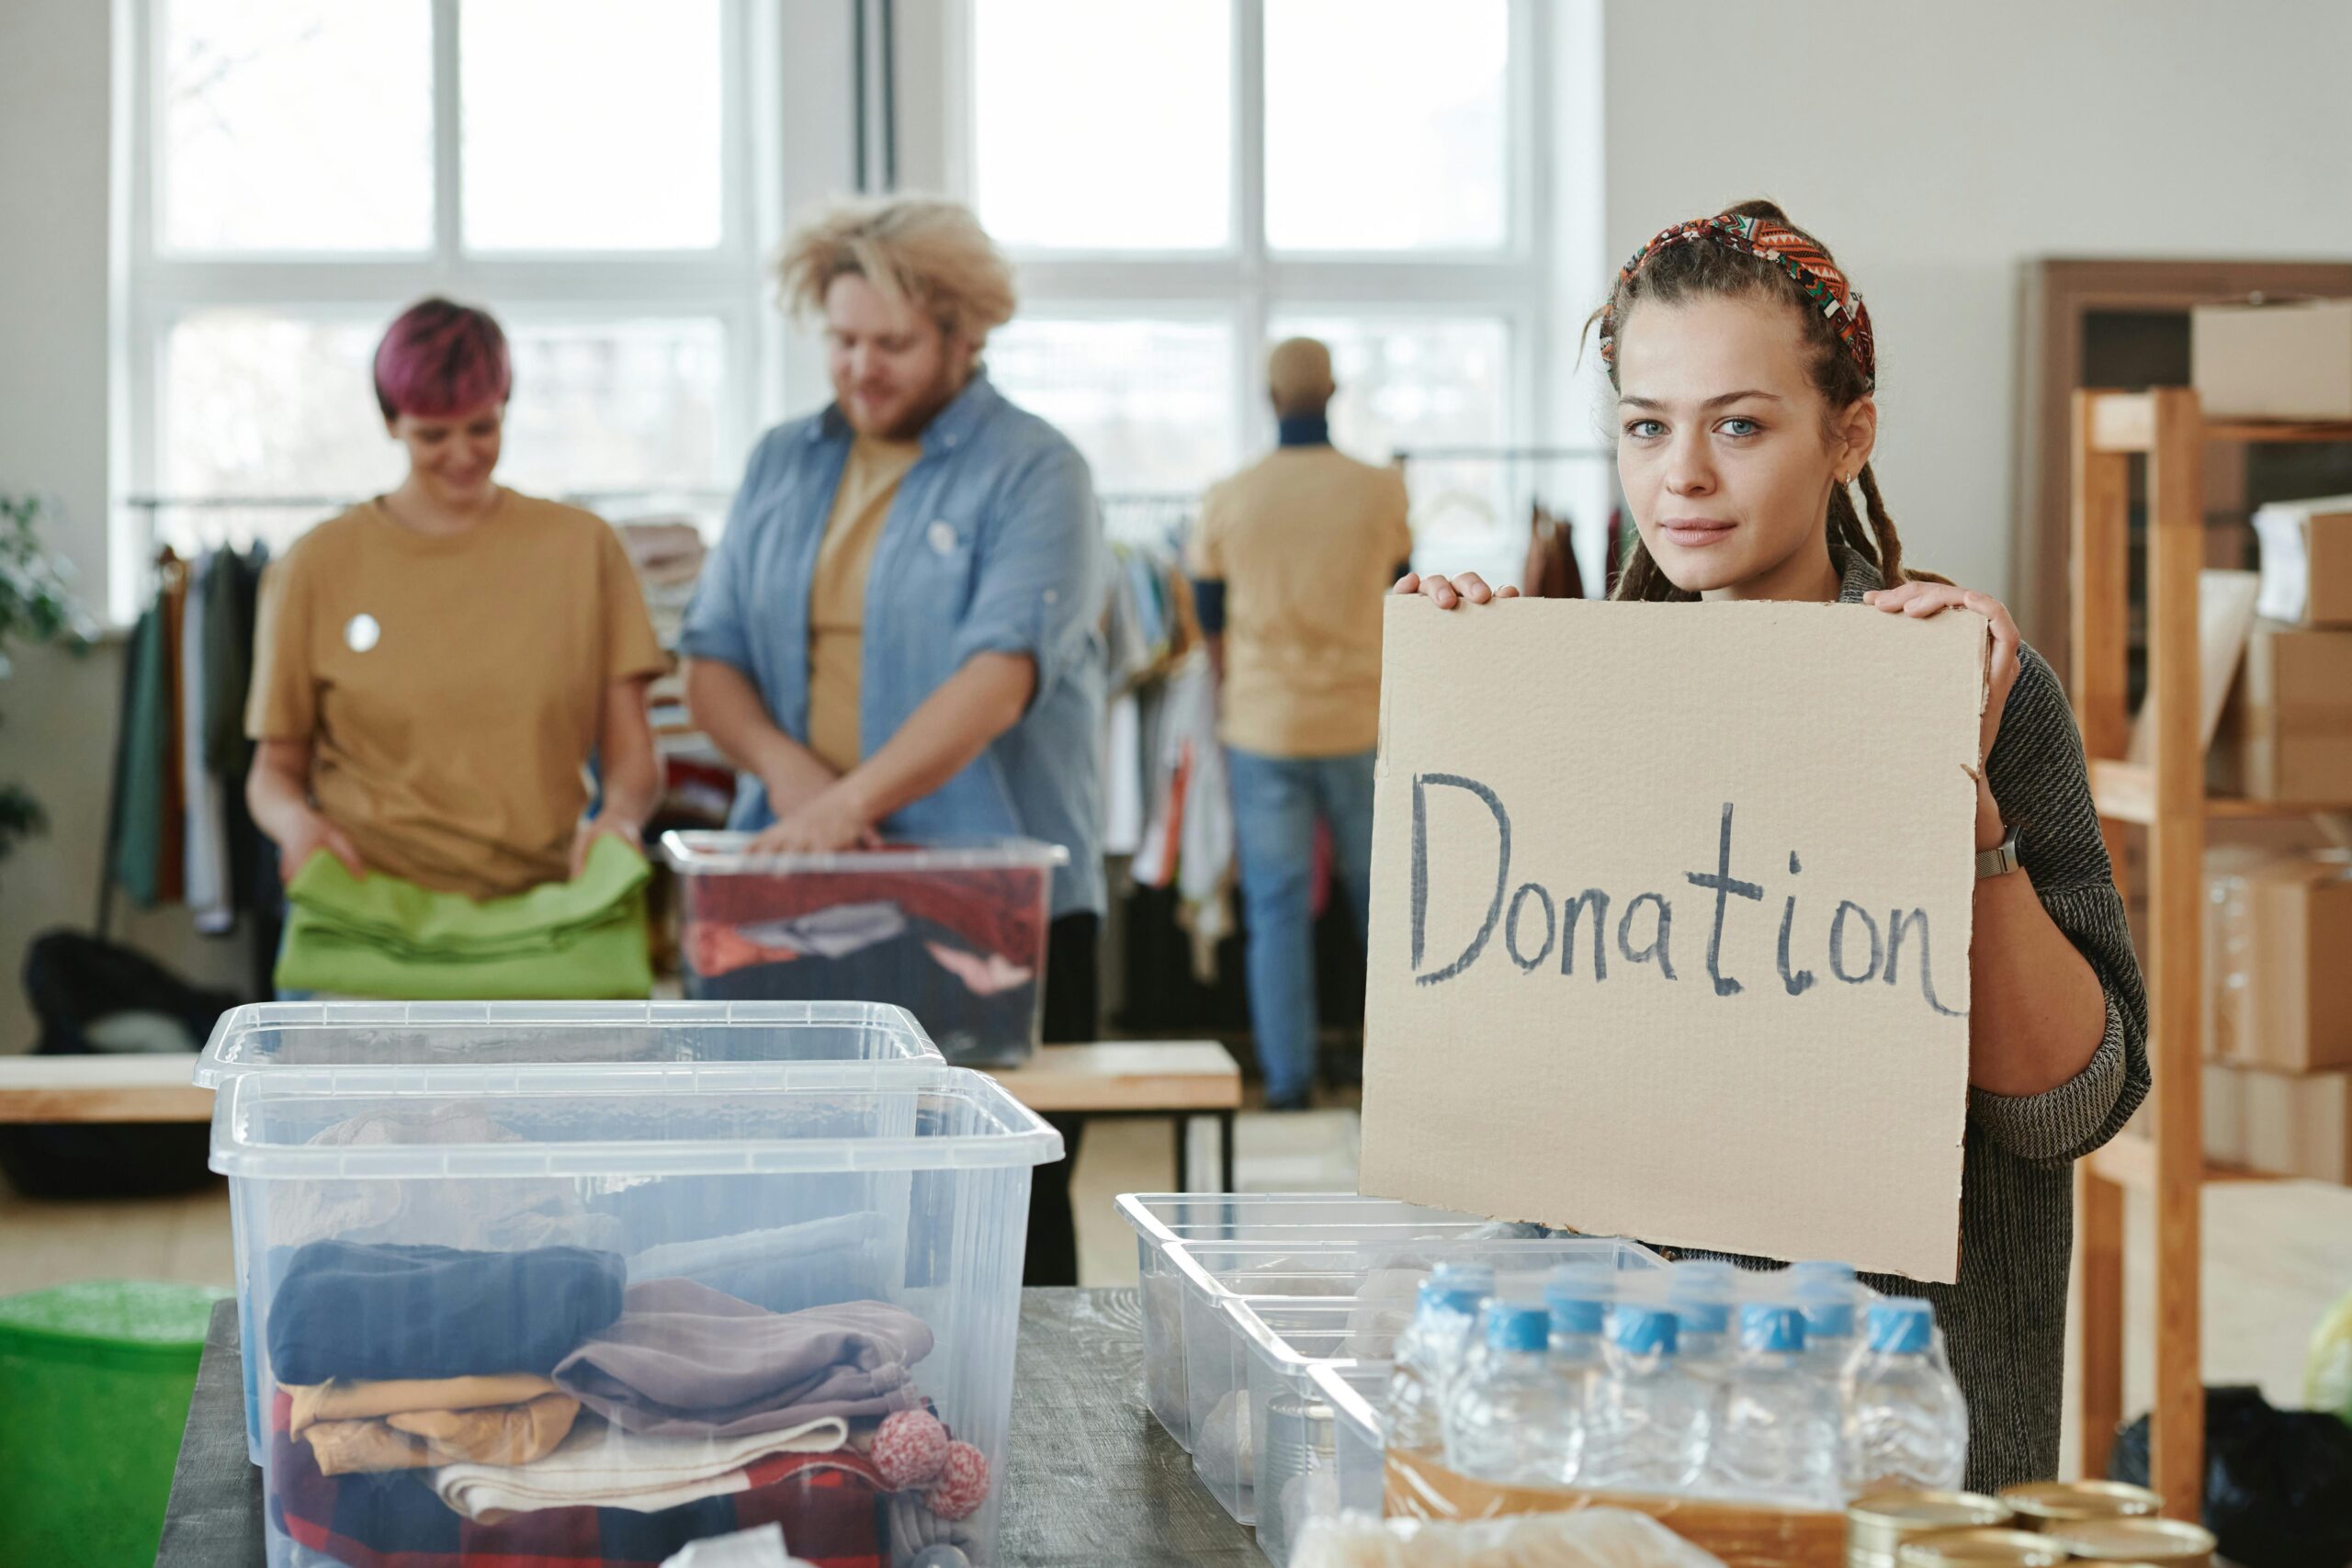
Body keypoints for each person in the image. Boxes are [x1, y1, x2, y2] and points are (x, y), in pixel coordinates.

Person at [1399, 201, 2150, 1489]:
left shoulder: (1974, 685)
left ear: (1847, 434)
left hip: (1899, 1446)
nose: (1681, 474)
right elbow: (1487, 1083)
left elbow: (2068, 1107)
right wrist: (1455, 716)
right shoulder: (1556, 695)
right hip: (1610, 1424)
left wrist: (1955, 800)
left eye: (1739, 423)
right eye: (1647, 424)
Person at [678, 197, 1107, 1284]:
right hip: (796, 887)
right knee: (799, 1206)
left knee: (989, 1218)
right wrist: (800, 789)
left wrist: (845, 808)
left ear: (965, 339)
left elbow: (998, 674)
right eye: (843, 340)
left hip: (993, 911)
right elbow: (711, 657)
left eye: (893, 345)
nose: (860, 367)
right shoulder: (783, 462)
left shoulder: (1035, 471)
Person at [245, 298, 666, 954]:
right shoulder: (316, 565)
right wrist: (297, 826)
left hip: (546, 914)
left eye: (483, 427)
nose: (463, 454)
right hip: (365, 913)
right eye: (432, 435)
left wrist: (619, 818)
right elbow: (272, 771)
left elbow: (632, 752)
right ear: (391, 423)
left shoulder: (582, 550)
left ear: (506, 406)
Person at [1190, 338, 1411, 1109]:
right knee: (1383, 905)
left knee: (1277, 911)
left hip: (1263, 723)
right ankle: (1397, 1077)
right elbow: (1402, 594)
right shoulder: (1383, 491)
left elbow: (1209, 622)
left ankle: (1287, 1082)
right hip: (1361, 718)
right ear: (1336, 390)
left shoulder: (1229, 494)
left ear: (1266, 396)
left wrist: (1235, 689)